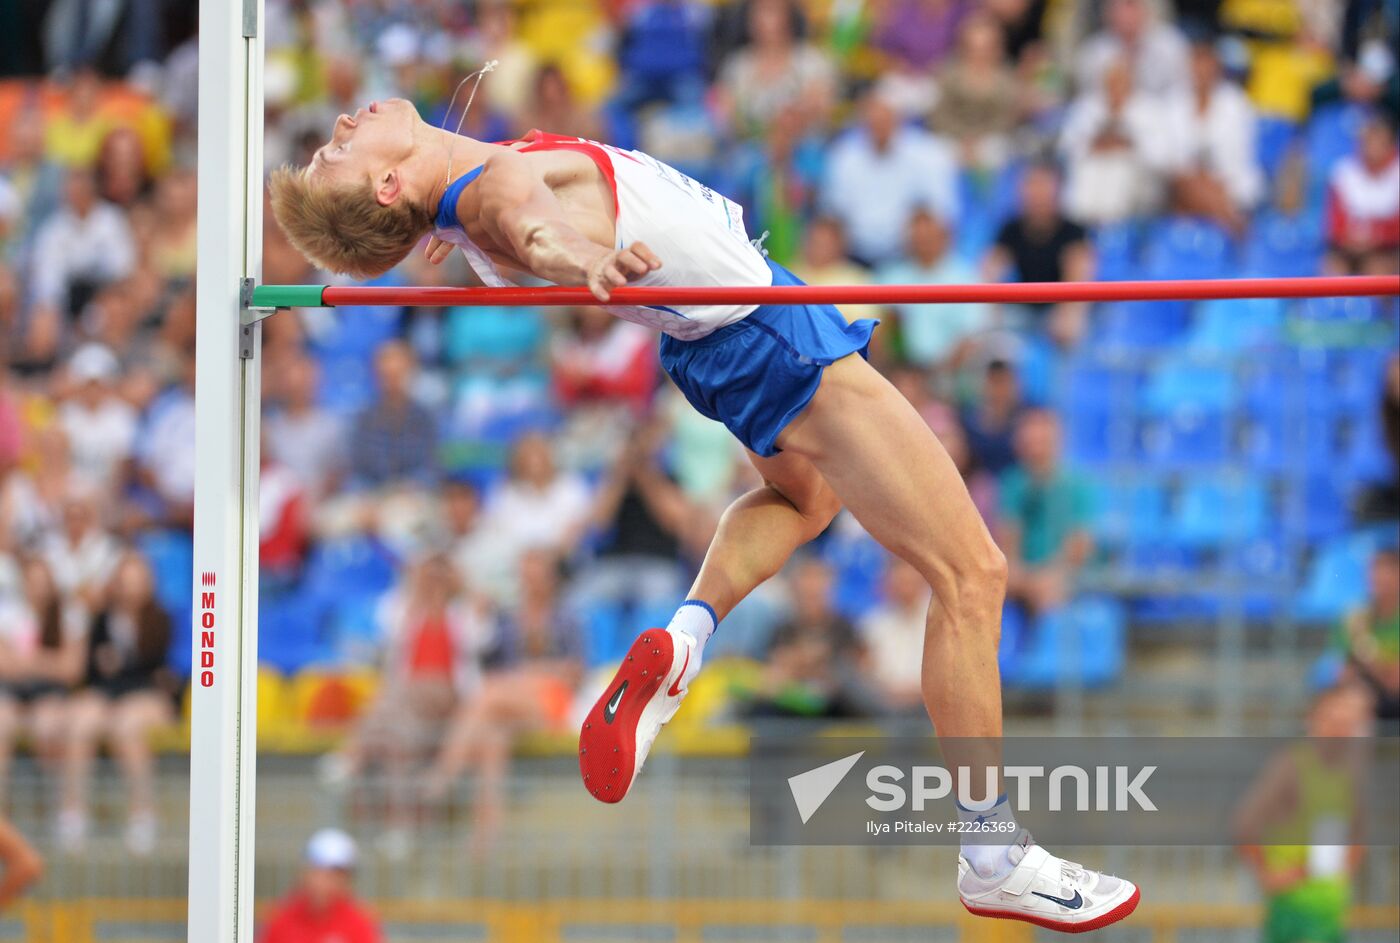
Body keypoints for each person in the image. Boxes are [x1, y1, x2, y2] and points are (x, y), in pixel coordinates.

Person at [269, 95, 1139, 930]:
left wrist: (443, 220)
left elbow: (506, 214)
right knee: (972, 573)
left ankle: (686, 637)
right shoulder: (491, 196)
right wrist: (582, 262)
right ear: (388, 186)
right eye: (336, 150)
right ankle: (992, 853)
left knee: (808, 498)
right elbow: (534, 221)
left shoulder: (467, 201)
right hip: (765, 329)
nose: (343, 125)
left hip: (715, 343)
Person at [1235, 684, 1373, 943]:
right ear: (1313, 720)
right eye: (1332, 720)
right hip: (1293, 909)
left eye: (1347, 723)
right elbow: (1245, 823)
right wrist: (1268, 874)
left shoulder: (1350, 774)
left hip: (1330, 911)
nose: (1339, 730)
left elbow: (1358, 831)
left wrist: (1346, 867)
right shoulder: (1291, 766)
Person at [62, 551, 174, 855]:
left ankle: (143, 813)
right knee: (80, 722)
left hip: (146, 694)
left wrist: (120, 666)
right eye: (124, 582)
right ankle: (74, 811)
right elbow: (95, 670)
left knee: (126, 726)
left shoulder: (162, 619)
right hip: (111, 693)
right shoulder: (102, 619)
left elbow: (159, 671)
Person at [259, 828, 381, 943]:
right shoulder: (282, 918)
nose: (324, 881)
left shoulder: (359, 921)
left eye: (335, 874)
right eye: (319, 870)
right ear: (304, 872)